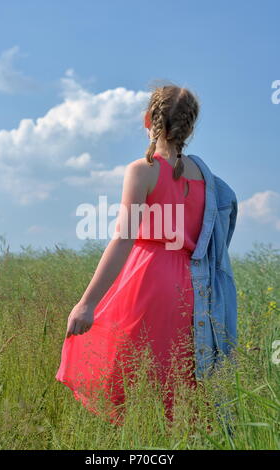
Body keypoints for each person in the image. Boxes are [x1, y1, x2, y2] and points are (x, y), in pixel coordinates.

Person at [55, 83, 238, 426]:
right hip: (190, 286)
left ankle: (141, 442)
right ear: (190, 127)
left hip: (146, 279)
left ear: (147, 120)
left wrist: (86, 303)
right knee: (179, 375)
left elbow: (123, 239)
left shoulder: (142, 169)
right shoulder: (206, 177)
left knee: (128, 369)